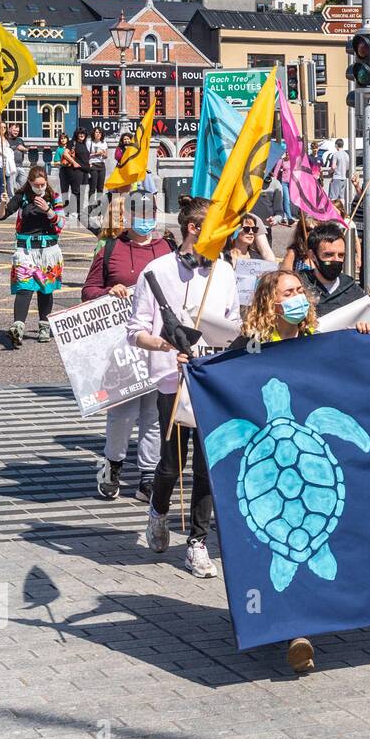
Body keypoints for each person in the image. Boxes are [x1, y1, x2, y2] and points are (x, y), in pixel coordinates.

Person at [127, 196, 241, 578]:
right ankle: (158, 511)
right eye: (216, 228)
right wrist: (166, 344)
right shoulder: (156, 272)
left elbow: (232, 322)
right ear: (194, 229)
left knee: (209, 466)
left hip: (212, 381)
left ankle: (197, 542)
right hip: (170, 381)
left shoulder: (224, 270)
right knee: (173, 464)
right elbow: (136, 332)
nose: (224, 235)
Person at [226, 270, 324, 674]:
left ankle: (300, 623)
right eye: (289, 292)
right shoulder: (253, 346)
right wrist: (192, 366)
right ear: (271, 302)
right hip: (267, 474)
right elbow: (222, 377)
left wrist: (364, 335)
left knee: (312, 540)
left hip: (311, 466)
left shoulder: (317, 340)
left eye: (301, 290)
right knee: (272, 546)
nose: (299, 297)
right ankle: (293, 628)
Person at [81, 189, 176, 502]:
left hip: (158, 343)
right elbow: (89, 290)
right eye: (139, 214)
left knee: (153, 413)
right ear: (128, 215)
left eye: (151, 213)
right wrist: (109, 292)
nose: (145, 220)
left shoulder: (167, 247)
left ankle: (148, 476)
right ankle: (113, 464)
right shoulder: (111, 248)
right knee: (123, 413)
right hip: (122, 345)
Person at [0, 165, 65, 348]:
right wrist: (3, 203)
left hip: (48, 250)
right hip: (25, 250)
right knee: (24, 288)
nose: (40, 188)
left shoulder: (54, 197)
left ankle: (44, 326)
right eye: (37, 185)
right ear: (30, 183)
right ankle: (18, 327)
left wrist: (48, 211)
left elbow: (61, 223)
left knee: (45, 289)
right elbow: (1, 216)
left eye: (43, 185)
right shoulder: (22, 197)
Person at [297, 222, 365, 317]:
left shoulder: (353, 291)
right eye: (329, 255)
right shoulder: (298, 287)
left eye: (341, 255)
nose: (336, 260)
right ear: (312, 255)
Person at [65, 127, 91, 228]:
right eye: (80, 133)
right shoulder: (72, 142)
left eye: (83, 134)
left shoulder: (84, 144)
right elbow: (65, 154)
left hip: (85, 170)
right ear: (76, 134)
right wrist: (74, 163)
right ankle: (72, 211)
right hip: (76, 170)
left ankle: (80, 211)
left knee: (83, 192)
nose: (82, 135)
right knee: (76, 191)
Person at [0, 120, 15, 198]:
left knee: (6, 182)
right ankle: (1, 202)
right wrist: (3, 152)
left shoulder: (5, 138)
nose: (3, 129)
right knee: (2, 182)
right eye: (1, 127)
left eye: (5, 127)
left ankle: (5, 200)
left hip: (6, 163)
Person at [87, 126, 109, 215]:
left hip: (101, 165)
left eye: (99, 132)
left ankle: (99, 208)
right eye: (96, 132)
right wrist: (96, 153)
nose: (98, 134)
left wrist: (103, 154)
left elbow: (106, 156)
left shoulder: (104, 143)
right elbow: (86, 155)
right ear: (93, 133)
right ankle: (90, 207)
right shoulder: (89, 142)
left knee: (100, 188)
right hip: (93, 165)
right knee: (92, 188)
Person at [327, 138, 351, 209]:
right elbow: (347, 167)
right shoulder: (347, 155)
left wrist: (330, 171)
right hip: (343, 178)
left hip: (337, 177)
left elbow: (333, 167)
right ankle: (342, 211)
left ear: (336, 145)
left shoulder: (336, 154)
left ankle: (333, 213)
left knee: (333, 197)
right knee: (341, 197)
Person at [7, 124, 29, 189]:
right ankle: (12, 197)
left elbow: (26, 149)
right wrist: (16, 148)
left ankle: (18, 195)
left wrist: (24, 149)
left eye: (17, 131)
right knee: (11, 186)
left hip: (21, 166)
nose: (16, 132)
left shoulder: (20, 140)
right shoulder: (6, 140)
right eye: (14, 130)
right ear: (9, 130)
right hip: (11, 166)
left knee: (24, 183)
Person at [50, 133, 71, 199]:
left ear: (67, 139)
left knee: (74, 189)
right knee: (64, 190)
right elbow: (55, 162)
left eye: (64, 138)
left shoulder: (71, 148)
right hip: (63, 170)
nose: (63, 140)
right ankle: (66, 204)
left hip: (72, 170)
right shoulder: (59, 149)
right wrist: (62, 163)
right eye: (61, 138)